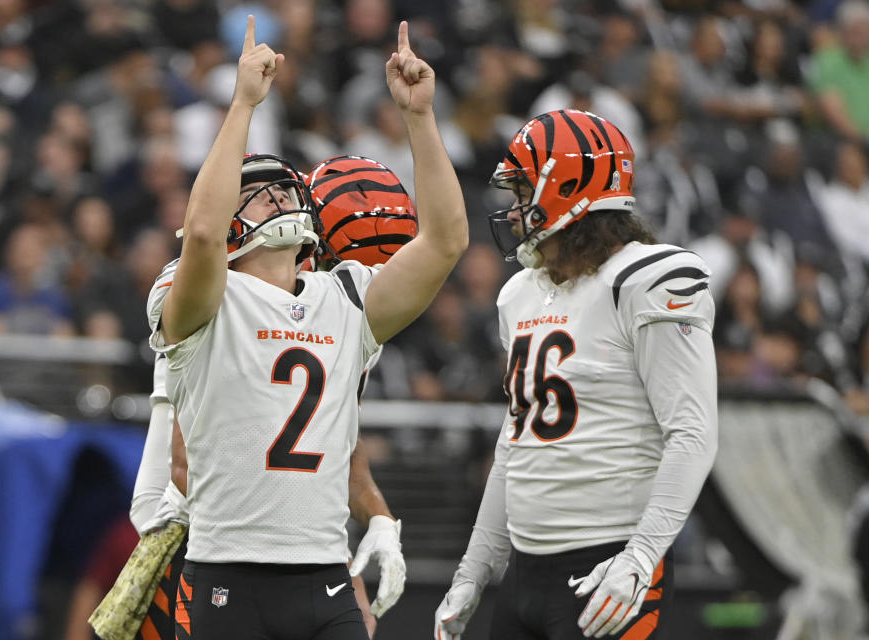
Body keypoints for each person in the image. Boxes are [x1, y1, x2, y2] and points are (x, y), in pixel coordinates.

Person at [149, 16, 466, 640]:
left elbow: (447, 241)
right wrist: (243, 104)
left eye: (283, 190)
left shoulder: (345, 295)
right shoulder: (200, 298)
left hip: (323, 577)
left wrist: (419, 119)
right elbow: (207, 234)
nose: (280, 199)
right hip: (226, 579)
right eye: (259, 193)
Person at [96, 154, 420, 640]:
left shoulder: (333, 304)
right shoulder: (229, 292)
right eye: (372, 258)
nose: (379, 276)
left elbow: (332, 450)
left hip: (267, 525)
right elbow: (188, 457)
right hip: (191, 510)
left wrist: (376, 521)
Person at [434, 109, 718, 639]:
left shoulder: (644, 280)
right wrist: (476, 568)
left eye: (522, 190)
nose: (513, 210)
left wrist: (641, 558)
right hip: (524, 571)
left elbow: (693, 433)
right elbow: (517, 440)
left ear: (566, 189)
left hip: (608, 565)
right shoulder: (521, 293)